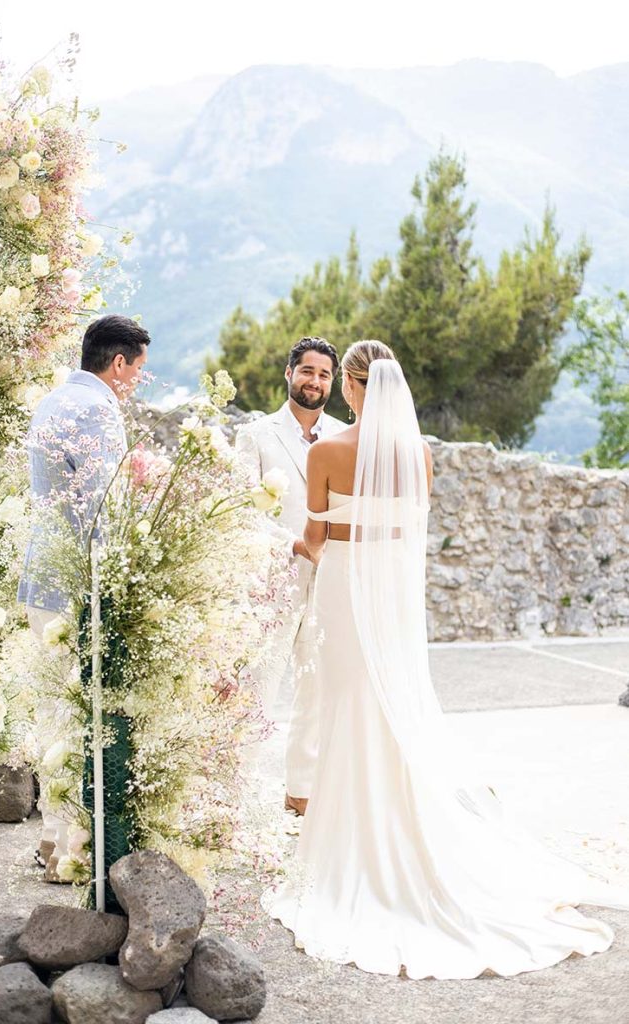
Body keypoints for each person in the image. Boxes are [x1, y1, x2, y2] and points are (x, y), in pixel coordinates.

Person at [262, 339, 629, 979]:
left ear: (352, 386)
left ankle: (350, 843)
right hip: (390, 596)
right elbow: (409, 538)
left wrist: (277, 544)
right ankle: (404, 832)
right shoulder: (419, 455)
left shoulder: (326, 452)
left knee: (345, 705)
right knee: (389, 706)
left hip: (343, 590)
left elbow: (315, 541)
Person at [18, 314, 150, 881]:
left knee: (54, 711)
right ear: (118, 363)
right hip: (78, 583)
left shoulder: (51, 400)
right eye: (138, 369)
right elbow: (104, 510)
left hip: (41, 578)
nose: (136, 381)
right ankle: (72, 850)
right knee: (83, 716)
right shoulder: (99, 410)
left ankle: (53, 839)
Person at [236, 337, 345, 814]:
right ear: (289, 373)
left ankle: (300, 793)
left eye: (324, 374)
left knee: (316, 690)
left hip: (328, 584)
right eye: (307, 371)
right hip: (272, 582)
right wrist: (295, 545)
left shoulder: (344, 436)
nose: (314, 381)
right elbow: (241, 512)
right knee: (255, 690)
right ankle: (234, 796)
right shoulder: (256, 435)